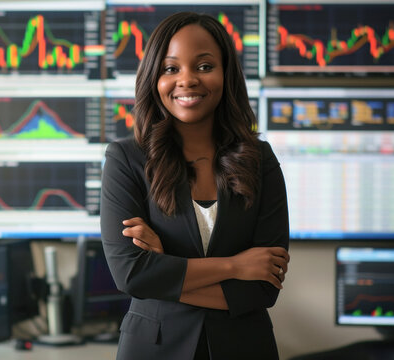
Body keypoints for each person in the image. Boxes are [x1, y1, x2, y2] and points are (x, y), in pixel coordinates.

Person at [99, 12, 290, 360]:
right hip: (153, 349)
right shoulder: (125, 159)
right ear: (154, 77)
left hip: (246, 348)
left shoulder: (260, 160)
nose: (187, 80)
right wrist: (235, 267)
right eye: (171, 68)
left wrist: (164, 270)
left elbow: (264, 287)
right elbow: (131, 275)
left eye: (204, 66)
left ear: (226, 73)